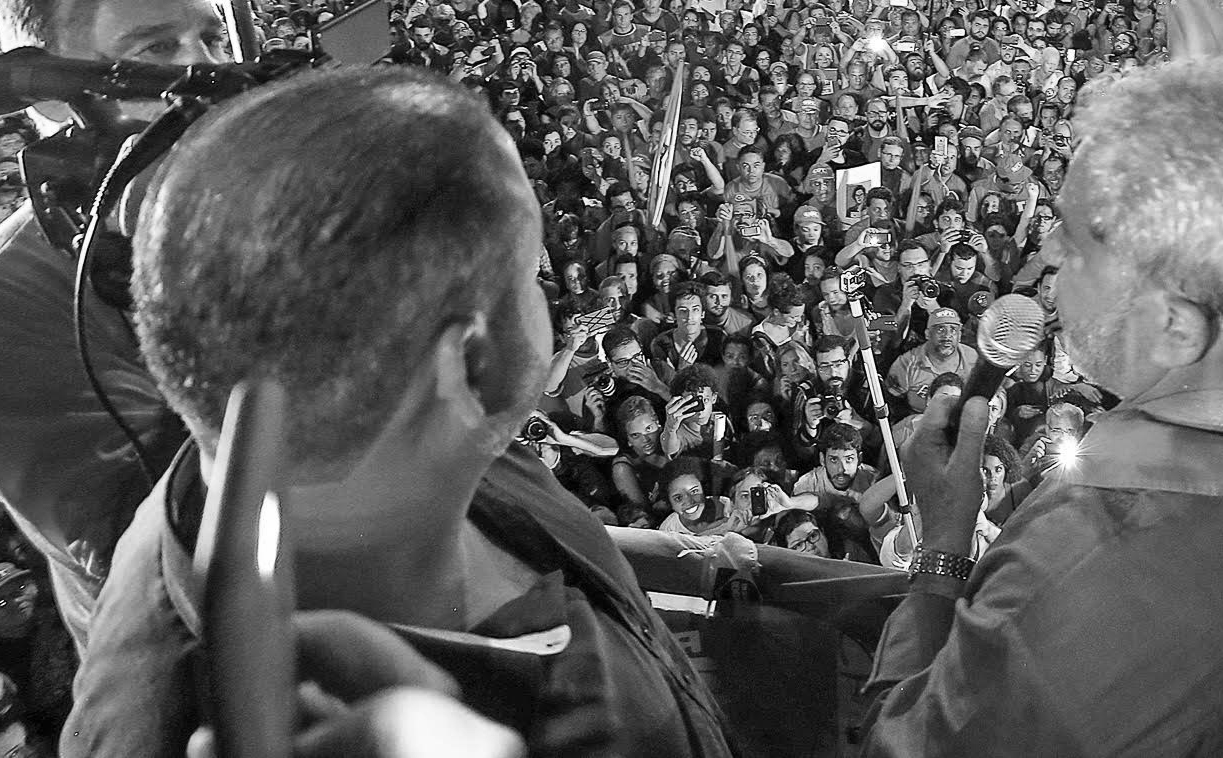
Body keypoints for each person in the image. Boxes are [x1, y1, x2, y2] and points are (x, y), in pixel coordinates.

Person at [63, 67, 736, 757]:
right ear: (468, 364)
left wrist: (692, 562)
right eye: (529, 278)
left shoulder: (408, 444)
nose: (549, 305)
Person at [858, 8, 1223, 754]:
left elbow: (897, 745)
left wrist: (940, 546)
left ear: (1176, 326)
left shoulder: (1074, 573)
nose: (1049, 251)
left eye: (1077, 242)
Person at [0, 0, 220, 649]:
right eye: (155, 50)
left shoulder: (235, 203)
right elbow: (183, 566)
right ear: (50, 96)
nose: (210, 70)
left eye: (210, 36)